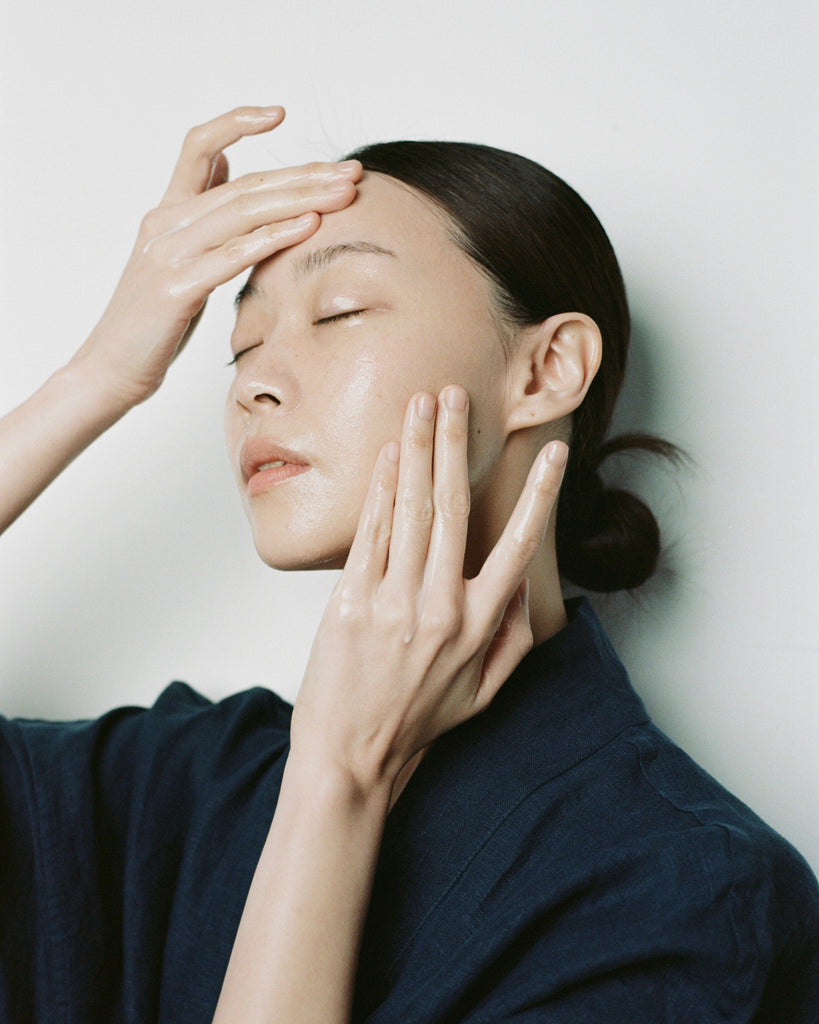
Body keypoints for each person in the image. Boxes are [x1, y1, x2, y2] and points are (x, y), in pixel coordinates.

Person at [0, 105, 816, 1024]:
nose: (252, 383)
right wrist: (99, 376)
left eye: (339, 310)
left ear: (547, 369)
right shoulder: (190, 783)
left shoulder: (680, 886)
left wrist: (341, 779)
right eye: (240, 347)